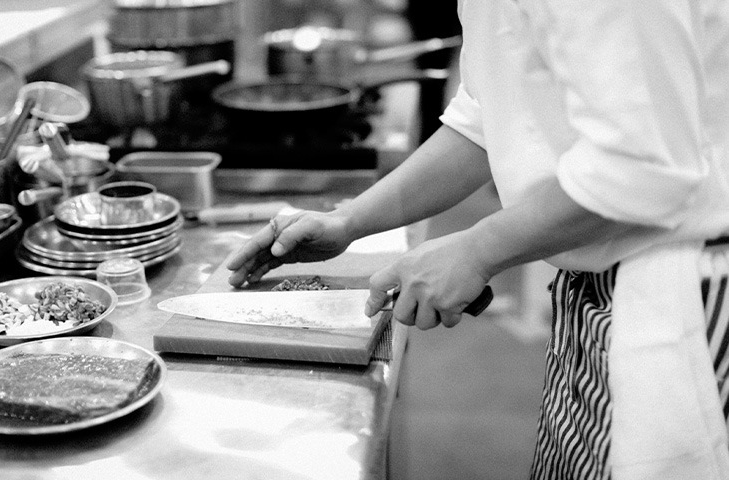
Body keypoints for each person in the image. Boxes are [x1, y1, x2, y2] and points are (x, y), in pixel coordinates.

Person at [227, 0, 729, 478]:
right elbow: (486, 117)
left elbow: (643, 168)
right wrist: (349, 221)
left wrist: (476, 250)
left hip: (684, 289)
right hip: (598, 292)